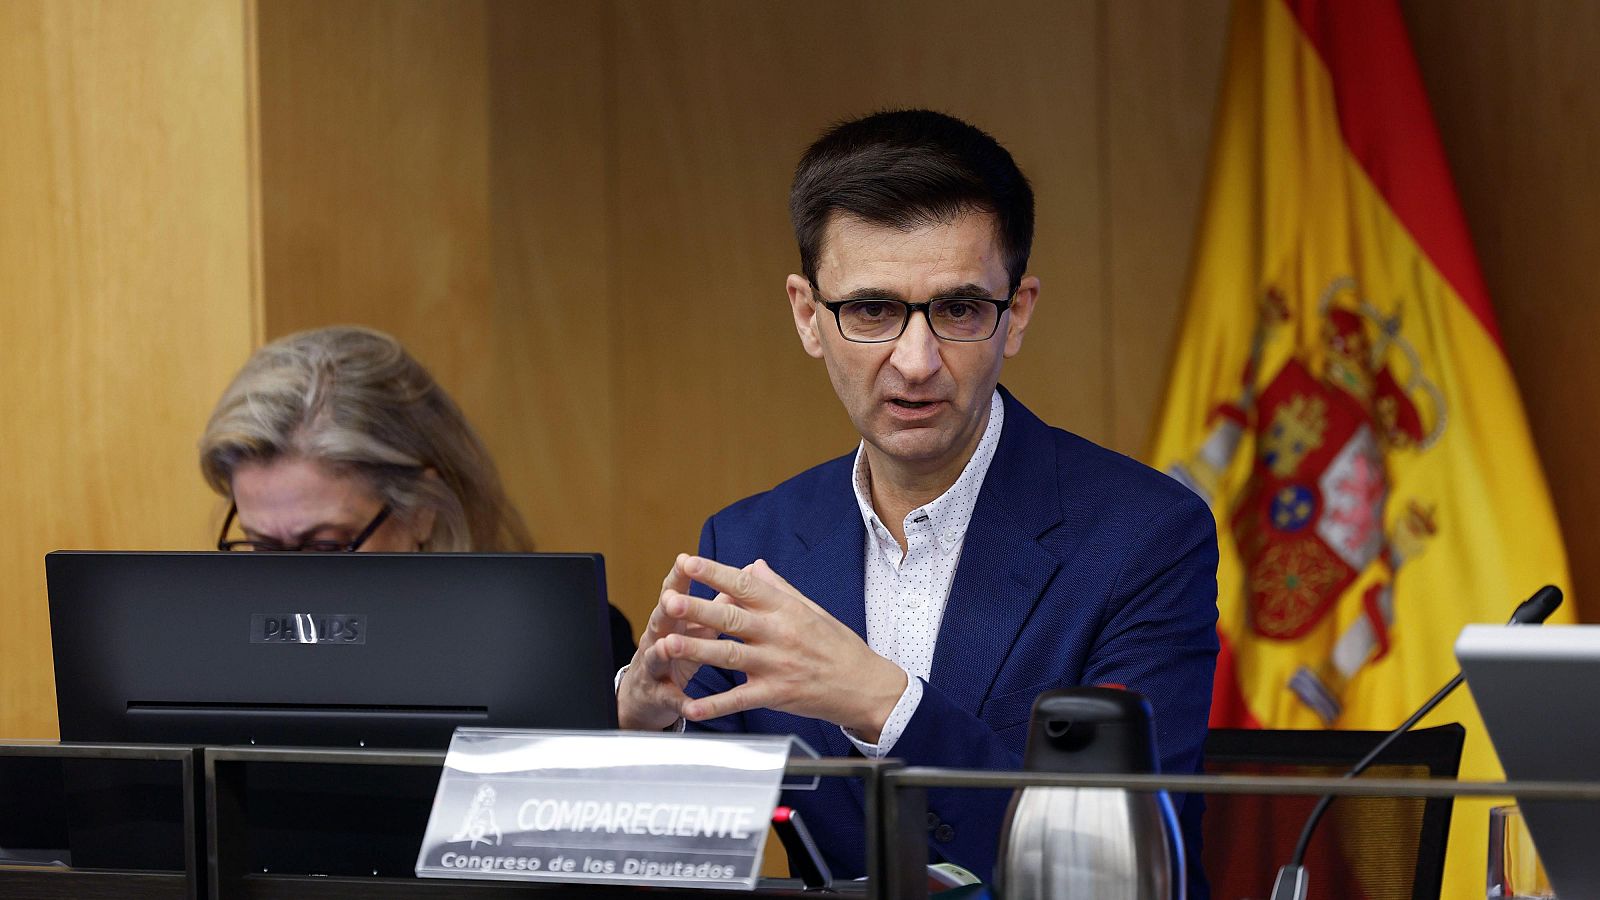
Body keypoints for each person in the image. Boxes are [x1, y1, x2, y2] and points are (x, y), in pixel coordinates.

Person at [617, 110, 1219, 887]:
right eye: (872, 311)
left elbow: (1122, 866)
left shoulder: (1143, 537)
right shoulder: (749, 540)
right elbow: (668, 841)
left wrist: (884, 704)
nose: (915, 360)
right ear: (808, 316)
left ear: (1018, 314)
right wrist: (642, 723)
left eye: (959, 309)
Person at [199, 324, 635, 667]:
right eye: (262, 547)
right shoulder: (211, 658)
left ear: (423, 510)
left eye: (325, 546)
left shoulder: (563, 647)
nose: (286, 593)